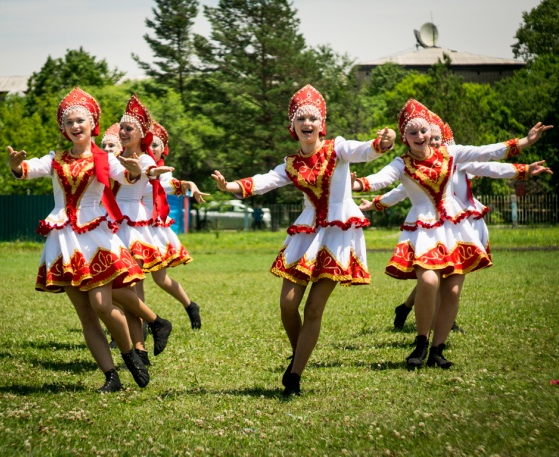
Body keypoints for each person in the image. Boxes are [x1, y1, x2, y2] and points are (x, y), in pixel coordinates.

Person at [211, 84, 396, 396]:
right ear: (292, 127)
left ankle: (294, 377)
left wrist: (383, 142)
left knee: (313, 309)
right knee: (287, 305)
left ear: (321, 124)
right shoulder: (291, 163)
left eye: (313, 118)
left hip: (338, 234)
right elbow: (264, 181)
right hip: (307, 232)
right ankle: (300, 358)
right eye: (301, 119)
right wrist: (228, 186)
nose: (307, 123)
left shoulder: (338, 148)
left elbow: (365, 150)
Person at [352, 98, 552, 369]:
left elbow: (487, 154)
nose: (421, 136)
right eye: (413, 132)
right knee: (430, 282)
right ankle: (421, 342)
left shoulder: (451, 154)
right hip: (423, 229)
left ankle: (438, 349)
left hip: (455, 228)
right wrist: (358, 183)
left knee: (453, 291)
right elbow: (382, 179)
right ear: (405, 138)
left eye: (424, 131)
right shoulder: (402, 164)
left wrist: (525, 143)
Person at [7, 87, 151, 392]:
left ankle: (129, 354)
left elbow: (124, 175)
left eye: (80, 121)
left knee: (101, 304)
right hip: (63, 241)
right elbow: (28, 169)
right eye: (69, 122)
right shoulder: (55, 159)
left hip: (94, 238)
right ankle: (111, 376)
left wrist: (135, 172)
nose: (75, 126)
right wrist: (16, 166)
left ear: (92, 124)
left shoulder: (103, 158)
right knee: (85, 313)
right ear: (64, 128)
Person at [110, 94, 178, 362]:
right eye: (121, 127)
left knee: (130, 287)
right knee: (126, 289)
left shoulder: (147, 159)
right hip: (113, 221)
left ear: (141, 134)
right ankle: (140, 346)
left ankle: (144, 342)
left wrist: (152, 174)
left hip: (133, 223)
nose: (123, 132)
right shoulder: (114, 156)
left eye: (129, 128)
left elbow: (147, 172)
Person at [141, 119, 208, 330]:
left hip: (151, 231)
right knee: (132, 280)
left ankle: (190, 306)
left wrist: (192, 186)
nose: (151, 149)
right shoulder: (135, 166)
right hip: (131, 228)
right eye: (147, 144)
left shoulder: (163, 174)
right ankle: (139, 326)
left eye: (155, 145)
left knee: (161, 280)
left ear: (163, 150)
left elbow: (177, 184)